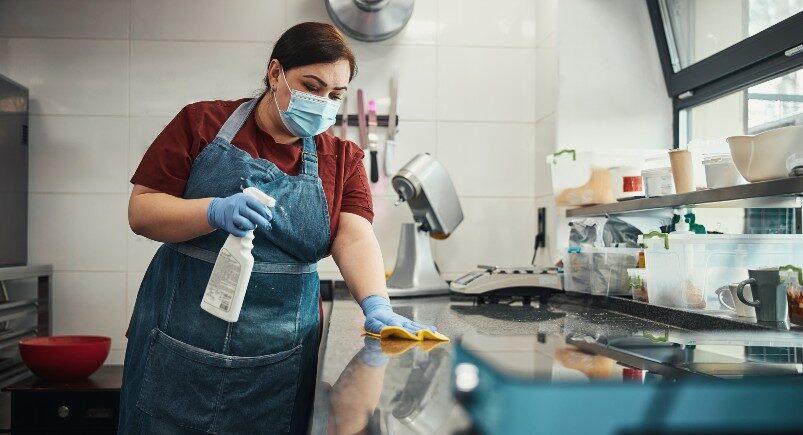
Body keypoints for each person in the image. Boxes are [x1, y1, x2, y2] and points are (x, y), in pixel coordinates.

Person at [119, 22, 434, 434]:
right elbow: (142, 211)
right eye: (311, 85)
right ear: (274, 73)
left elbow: (354, 236)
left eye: (334, 95)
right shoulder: (201, 123)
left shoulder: (342, 159)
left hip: (278, 364)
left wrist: (376, 304)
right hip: (177, 349)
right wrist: (211, 211)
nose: (321, 101)